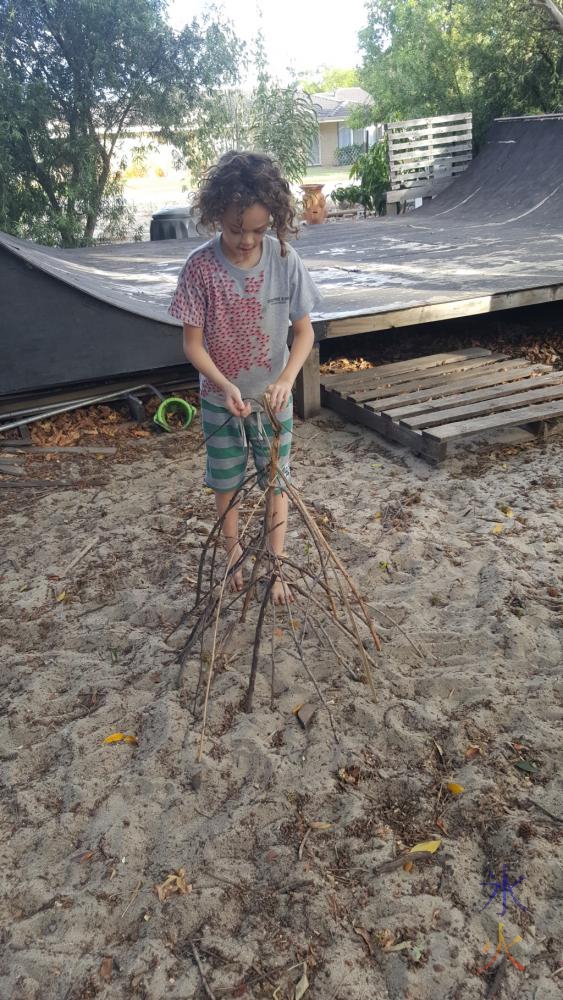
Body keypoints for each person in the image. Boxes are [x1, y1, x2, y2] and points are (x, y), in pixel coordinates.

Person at [168, 151, 321, 604]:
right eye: (237, 230)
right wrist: (227, 385)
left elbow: (305, 332)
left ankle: (275, 568)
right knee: (227, 481)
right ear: (217, 216)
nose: (247, 241)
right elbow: (192, 345)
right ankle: (233, 555)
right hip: (221, 400)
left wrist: (287, 380)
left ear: (273, 219)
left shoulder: (284, 258)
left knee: (277, 482)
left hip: (273, 401)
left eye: (258, 229)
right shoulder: (200, 268)